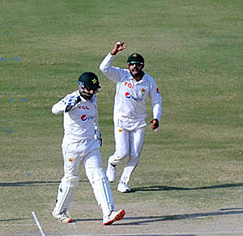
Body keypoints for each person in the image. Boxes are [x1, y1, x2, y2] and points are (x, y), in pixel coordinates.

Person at [51, 72, 126, 225]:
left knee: (99, 177)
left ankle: (108, 212)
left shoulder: (94, 98)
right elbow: (54, 109)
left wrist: (97, 132)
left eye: (94, 89)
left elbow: (94, 117)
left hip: (91, 145)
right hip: (72, 146)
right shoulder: (73, 98)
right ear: (81, 87)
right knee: (71, 179)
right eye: (89, 89)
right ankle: (59, 211)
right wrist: (68, 104)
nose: (92, 93)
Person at [99, 41, 162, 193]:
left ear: (142, 66)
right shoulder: (122, 75)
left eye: (137, 64)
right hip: (121, 120)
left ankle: (123, 183)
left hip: (138, 123)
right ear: (128, 66)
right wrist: (113, 53)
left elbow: (156, 101)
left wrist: (156, 118)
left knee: (135, 155)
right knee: (122, 153)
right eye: (131, 64)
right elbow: (104, 68)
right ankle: (112, 162)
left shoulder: (149, 81)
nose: (134, 67)